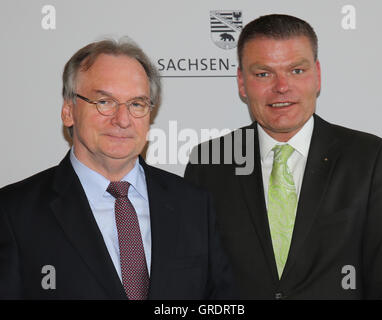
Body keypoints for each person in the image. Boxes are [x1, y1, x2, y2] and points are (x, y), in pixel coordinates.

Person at [185, 14, 382, 299]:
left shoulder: (368, 158)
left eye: (296, 71)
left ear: (317, 75)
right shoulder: (209, 161)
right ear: (241, 82)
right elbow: (194, 278)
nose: (281, 86)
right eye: (263, 73)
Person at [0, 38, 235, 299]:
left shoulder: (193, 204)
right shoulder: (13, 213)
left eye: (136, 104)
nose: (122, 120)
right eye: (104, 102)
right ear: (69, 111)